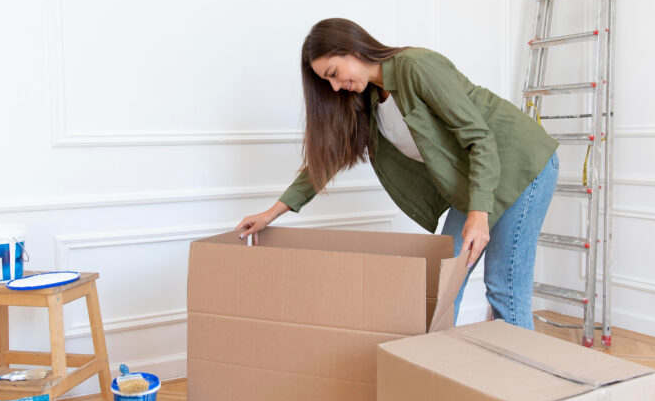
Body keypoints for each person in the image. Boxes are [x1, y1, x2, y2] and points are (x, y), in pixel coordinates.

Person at [235, 18, 559, 329]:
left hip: (519, 161)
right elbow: (326, 161)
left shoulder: (416, 67)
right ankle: (438, 373)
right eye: (327, 82)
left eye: (333, 73)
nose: (334, 86)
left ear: (353, 48)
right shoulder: (367, 102)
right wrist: (271, 213)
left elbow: (479, 137)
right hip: (475, 179)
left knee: (503, 286)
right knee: (444, 284)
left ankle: (523, 383)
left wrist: (478, 212)